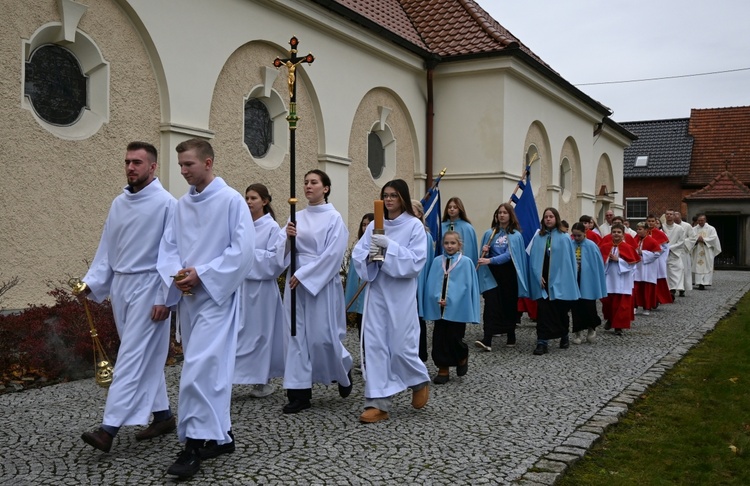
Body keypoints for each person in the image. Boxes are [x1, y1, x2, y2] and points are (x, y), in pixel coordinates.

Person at [157, 138, 255, 479]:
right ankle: (221, 435)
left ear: (208, 163)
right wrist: (176, 274)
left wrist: (204, 274)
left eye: (189, 165)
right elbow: (168, 247)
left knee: (198, 369)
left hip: (217, 298)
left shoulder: (231, 201)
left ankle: (193, 445)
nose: (183, 171)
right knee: (209, 370)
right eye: (181, 165)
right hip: (189, 299)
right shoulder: (181, 206)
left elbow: (243, 251)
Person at [79, 141, 177, 454]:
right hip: (122, 287)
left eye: (137, 162)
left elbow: (172, 254)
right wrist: (91, 283)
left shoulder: (167, 204)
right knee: (143, 355)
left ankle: (108, 429)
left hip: (151, 288)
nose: (131, 167)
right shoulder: (118, 203)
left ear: (153, 166)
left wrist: (166, 296)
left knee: (133, 356)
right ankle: (163, 416)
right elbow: (107, 247)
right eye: (127, 162)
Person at [352, 179, 430, 423]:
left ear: (403, 198)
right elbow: (358, 253)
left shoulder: (414, 226)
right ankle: (378, 403)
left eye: (394, 195)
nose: (388, 199)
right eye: (385, 195)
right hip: (377, 291)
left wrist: (390, 247)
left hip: (401, 294)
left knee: (399, 345)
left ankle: (418, 380)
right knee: (375, 346)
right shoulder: (375, 224)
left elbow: (416, 262)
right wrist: (370, 256)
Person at [281, 169, 353, 414]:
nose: (308, 186)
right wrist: (287, 239)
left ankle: (344, 368)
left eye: (314, 182)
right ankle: (299, 393)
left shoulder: (334, 219)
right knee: (296, 336)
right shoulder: (296, 216)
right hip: (295, 282)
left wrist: (304, 275)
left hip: (319, 284)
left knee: (322, 337)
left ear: (326, 188)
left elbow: (332, 256)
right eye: (305, 182)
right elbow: (280, 252)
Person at [233, 184, 287, 398]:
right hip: (241, 287)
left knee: (262, 334)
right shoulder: (241, 226)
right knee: (239, 332)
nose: (248, 201)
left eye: (253, 198)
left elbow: (275, 261)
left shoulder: (272, 228)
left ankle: (263, 379)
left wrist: (245, 256)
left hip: (262, 290)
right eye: (246, 197)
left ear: (264, 201)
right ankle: (233, 375)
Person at [423, 231, 480, 384]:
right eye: (447, 243)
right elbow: (432, 283)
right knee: (439, 339)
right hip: (439, 309)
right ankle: (443, 369)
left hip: (458, 309)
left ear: (459, 245)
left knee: (455, 337)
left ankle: (462, 355)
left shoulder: (466, 262)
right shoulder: (437, 261)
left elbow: (467, 287)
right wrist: (437, 298)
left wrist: (451, 299)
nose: (449, 246)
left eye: (453, 243)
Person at [475, 202, 529, 351]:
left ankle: (510, 333)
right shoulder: (490, 233)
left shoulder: (515, 235)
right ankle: (487, 339)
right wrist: (486, 250)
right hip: (492, 274)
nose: (502, 215)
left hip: (508, 274)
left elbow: (509, 255)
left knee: (508, 305)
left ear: (510, 215)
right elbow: (483, 255)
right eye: (499, 212)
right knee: (490, 306)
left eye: (505, 212)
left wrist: (490, 259)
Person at [527, 208, 580, 355]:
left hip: (559, 280)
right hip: (543, 280)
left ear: (556, 218)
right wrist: (537, 275)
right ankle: (542, 341)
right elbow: (533, 259)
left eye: (551, 216)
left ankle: (564, 335)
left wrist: (563, 279)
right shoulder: (538, 237)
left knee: (560, 310)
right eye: (546, 217)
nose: (548, 219)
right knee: (543, 311)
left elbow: (568, 262)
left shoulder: (564, 238)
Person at [569, 223, 607, 344]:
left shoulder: (591, 246)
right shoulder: (570, 245)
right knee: (575, 307)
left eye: (579, 235)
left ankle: (591, 328)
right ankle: (578, 331)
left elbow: (597, 265)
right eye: (574, 235)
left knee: (589, 305)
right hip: (574, 280)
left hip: (588, 280)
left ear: (584, 233)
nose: (576, 238)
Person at [599, 223, 639, 336]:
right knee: (608, 302)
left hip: (622, 279)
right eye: (614, 232)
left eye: (619, 232)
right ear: (611, 234)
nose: (616, 234)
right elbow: (600, 263)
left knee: (621, 304)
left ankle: (618, 326)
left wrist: (618, 260)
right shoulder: (605, 246)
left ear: (623, 234)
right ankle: (610, 319)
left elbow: (633, 265)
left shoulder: (628, 248)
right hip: (609, 278)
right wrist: (607, 259)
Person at [344, 212, 375, 340]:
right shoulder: (359, 245)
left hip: (371, 293)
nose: (366, 227)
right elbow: (353, 272)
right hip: (359, 291)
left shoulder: (376, 245)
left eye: (369, 224)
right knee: (361, 326)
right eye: (364, 225)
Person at [411, 200, 434, 362]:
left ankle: (420, 353)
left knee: (417, 319)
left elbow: (427, 263)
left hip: (418, 282)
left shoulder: (425, 236)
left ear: (419, 214)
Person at [633, 222, 661, 316]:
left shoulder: (652, 241)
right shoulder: (635, 239)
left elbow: (657, 254)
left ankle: (647, 307)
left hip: (648, 268)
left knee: (647, 288)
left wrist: (643, 253)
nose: (638, 231)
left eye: (640, 229)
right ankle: (634, 306)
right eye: (637, 229)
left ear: (646, 230)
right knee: (635, 287)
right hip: (637, 267)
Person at [441, 197, 478, 264]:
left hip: (461, 264)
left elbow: (469, 250)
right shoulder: (441, 227)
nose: (452, 209)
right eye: (449, 207)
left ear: (460, 209)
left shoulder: (467, 228)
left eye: (455, 207)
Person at [646, 214, 673, 305]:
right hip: (646, 260)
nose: (650, 223)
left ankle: (657, 298)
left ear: (655, 222)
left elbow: (665, 247)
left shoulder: (661, 234)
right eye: (649, 221)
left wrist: (656, 253)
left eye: (652, 221)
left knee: (657, 279)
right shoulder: (643, 232)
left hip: (657, 260)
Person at [691, 214, 722, 290]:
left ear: (705, 220)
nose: (700, 222)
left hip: (707, 250)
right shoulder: (694, 229)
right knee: (697, 265)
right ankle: (698, 282)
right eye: (699, 220)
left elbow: (714, 238)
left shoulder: (711, 229)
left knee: (707, 265)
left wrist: (704, 240)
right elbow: (690, 238)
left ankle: (705, 282)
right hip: (697, 249)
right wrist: (696, 240)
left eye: (702, 220)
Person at [661, 210, 687, 297]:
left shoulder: (679, 228)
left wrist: (670, 248)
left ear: (674, 216)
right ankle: (668, 289)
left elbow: (681, 241)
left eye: (671, 214)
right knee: (666, 272)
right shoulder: (662, 228)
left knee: (676, 272)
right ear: (665, 216)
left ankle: (673, 289)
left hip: (674, 253)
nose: (669, 216)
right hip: (663, 254)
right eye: (667, 214)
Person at [674, 211, 695, 295]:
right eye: (674, 216)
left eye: (677, 216)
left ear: (680, 217)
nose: (675, 218)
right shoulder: (669, 226)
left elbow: (692, 238)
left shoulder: (687, 226)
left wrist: (681, 242)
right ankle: (673, 288)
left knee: (684, 271)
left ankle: (682, 289)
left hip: (683, 252)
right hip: (673, 252)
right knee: (674, 271)